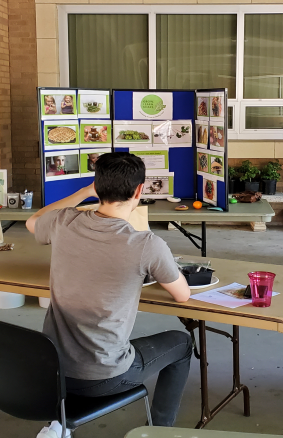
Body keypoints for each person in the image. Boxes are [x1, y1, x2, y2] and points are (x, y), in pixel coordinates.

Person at [26, 152, 191, 428]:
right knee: (183, 342)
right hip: (104, 376)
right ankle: (162, 430)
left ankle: (62, 425)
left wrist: (84, 192)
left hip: (53, 369)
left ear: (97, 185)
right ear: (140, 190)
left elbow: (34, 222)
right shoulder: (147, 244)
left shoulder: (63, 222)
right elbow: (182, 295)